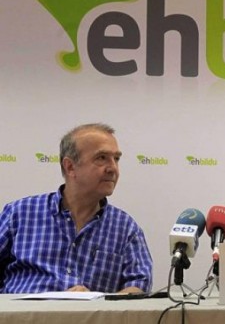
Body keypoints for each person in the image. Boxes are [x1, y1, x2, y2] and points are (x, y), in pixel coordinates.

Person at [0, 123, 153, 294]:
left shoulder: (125, 228)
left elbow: (140, 284)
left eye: (116, 159)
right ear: (70, 167)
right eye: (101, 158)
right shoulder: (19, 214)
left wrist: (96, 302)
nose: (113, 168)